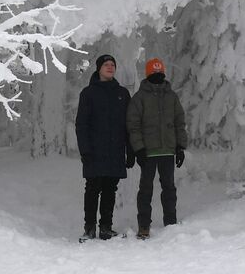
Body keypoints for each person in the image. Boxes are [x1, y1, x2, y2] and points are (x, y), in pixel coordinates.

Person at [126, 57, 187, 240]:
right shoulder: (139, 98)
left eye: (160, 72)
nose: (157, 75)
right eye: (154, 72)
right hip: (148, 153)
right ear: (148, 74)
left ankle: (171, 223)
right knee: (146, 190)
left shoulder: (172, 96)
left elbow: (179, 122)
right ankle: (144, 226)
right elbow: (133, 125)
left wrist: (180, 146)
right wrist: (138, 149)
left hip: (168, 151)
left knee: (169, 189)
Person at [75, 54, 132, 241]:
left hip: (115, 149)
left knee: (110, 189)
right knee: (92, 188)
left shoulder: (122, 93)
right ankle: (89, 228)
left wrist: (130, 151)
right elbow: (81, 124)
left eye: (112, 64)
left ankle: (106, 227)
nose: (110, 67)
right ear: (98, 68)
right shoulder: (88, 93)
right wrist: (85, 150)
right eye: (106, 64)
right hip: (94, 150)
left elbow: (129, 125)